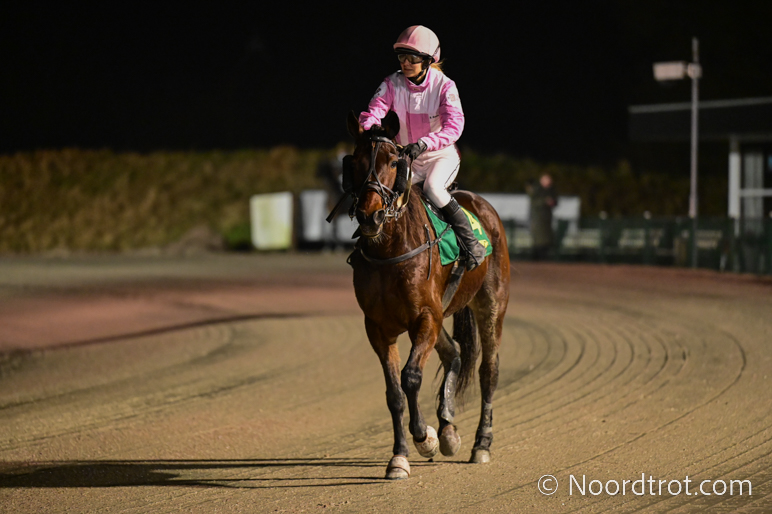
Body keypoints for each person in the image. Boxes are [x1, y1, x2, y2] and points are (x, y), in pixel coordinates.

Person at [358, 25, 487, 270]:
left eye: (412, 58)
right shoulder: (391, 83)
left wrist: (424, 143)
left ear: (428, 60)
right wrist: (370, 127)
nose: (405, 63)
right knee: (387, 194)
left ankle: (471, 244)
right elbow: (374, 111)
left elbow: (454, 126)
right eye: (402, 56)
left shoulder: (445, 86)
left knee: (433, 189)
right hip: (408, 158)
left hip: (441, 156)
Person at [526, 173, 558, 260]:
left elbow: (555, 201)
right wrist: (545, 201)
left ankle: (542, 258)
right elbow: (534, 201)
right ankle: (536, 258)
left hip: (547, 219)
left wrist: (552, 202)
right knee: (538, 241)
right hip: (537, 219)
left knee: (546, 241)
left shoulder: (551, 190)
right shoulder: (537, 190)